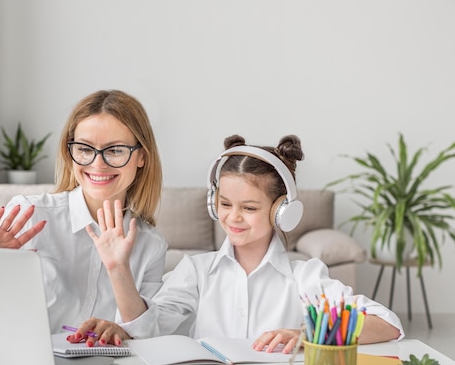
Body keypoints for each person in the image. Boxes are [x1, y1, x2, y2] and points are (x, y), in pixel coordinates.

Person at [73, 134, 404, 352]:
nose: (233, 218)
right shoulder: (196, 271)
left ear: (282, 211)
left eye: (249, 208)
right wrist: (118, 270)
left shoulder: (305, 276)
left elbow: (388, 324)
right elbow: (146, 329)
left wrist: (309, 337)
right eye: (225, 204)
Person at [0, 89, 167, 335]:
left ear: (141, 156)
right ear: (70, 153)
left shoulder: (151, 245)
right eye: (85, 149)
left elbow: (146, 336)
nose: (98, 164)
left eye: (115, 150)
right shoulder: (30, 215)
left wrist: (119, 270)